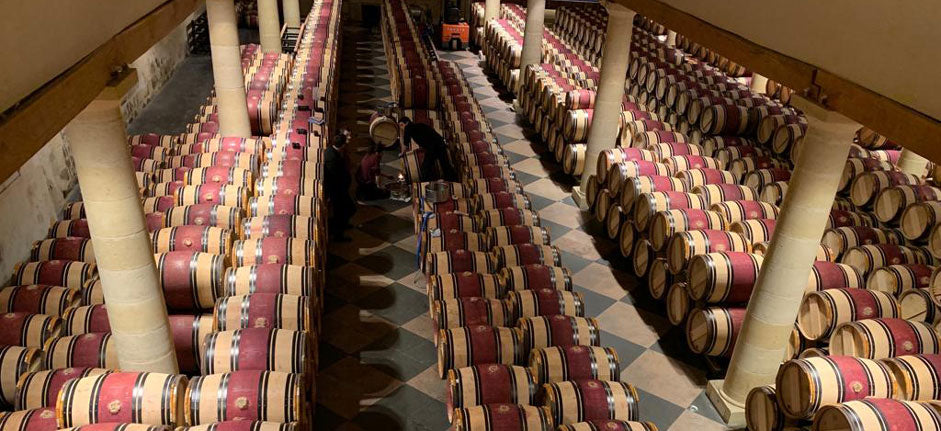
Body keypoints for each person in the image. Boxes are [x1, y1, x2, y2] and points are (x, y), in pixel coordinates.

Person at [397, 117, 457, 182]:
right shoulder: (419, 125)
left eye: (402, 125)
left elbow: (405, 144)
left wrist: (402, 153)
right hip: (440, 143)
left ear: (407, 123)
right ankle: (453, 180)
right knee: (445, 165)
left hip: (432, 147)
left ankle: (428, 183)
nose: (401, 128)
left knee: (425, 168)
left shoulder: (408, 128)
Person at [324, 130, 355, 242]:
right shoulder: (333, 158)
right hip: (337, 191)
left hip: (339, 189)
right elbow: (336, 177)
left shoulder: (330, 150)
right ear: (342, 145)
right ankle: (338, 235)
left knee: (344, 210)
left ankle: (342, 226)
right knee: (344, 210)